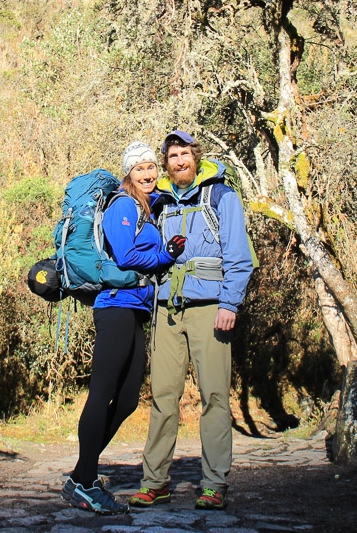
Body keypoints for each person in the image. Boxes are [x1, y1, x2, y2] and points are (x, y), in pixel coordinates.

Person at [130, 130, 254, 511]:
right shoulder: (160, 202)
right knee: (163, 397)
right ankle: (155, 482)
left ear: (196, 157)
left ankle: (214, 484)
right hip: (167, 309)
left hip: (210, 308)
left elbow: (239, 256)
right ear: (166, 163)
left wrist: (230, 304)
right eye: (173, 156)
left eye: (185, 154)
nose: (180, 161)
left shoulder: (221, 196)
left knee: (214, 396)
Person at [60, 141, 186, 515]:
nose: (147, 173)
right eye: (139, 168)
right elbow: (127, 254)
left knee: (129, 398)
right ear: (128, 173)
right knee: (102, 393)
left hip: (135, 309)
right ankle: (85, 481)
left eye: (151, 167)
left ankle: (81, 475)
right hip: (114, 306)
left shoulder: (146, 207)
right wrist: (166, 255)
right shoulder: (122, 205)